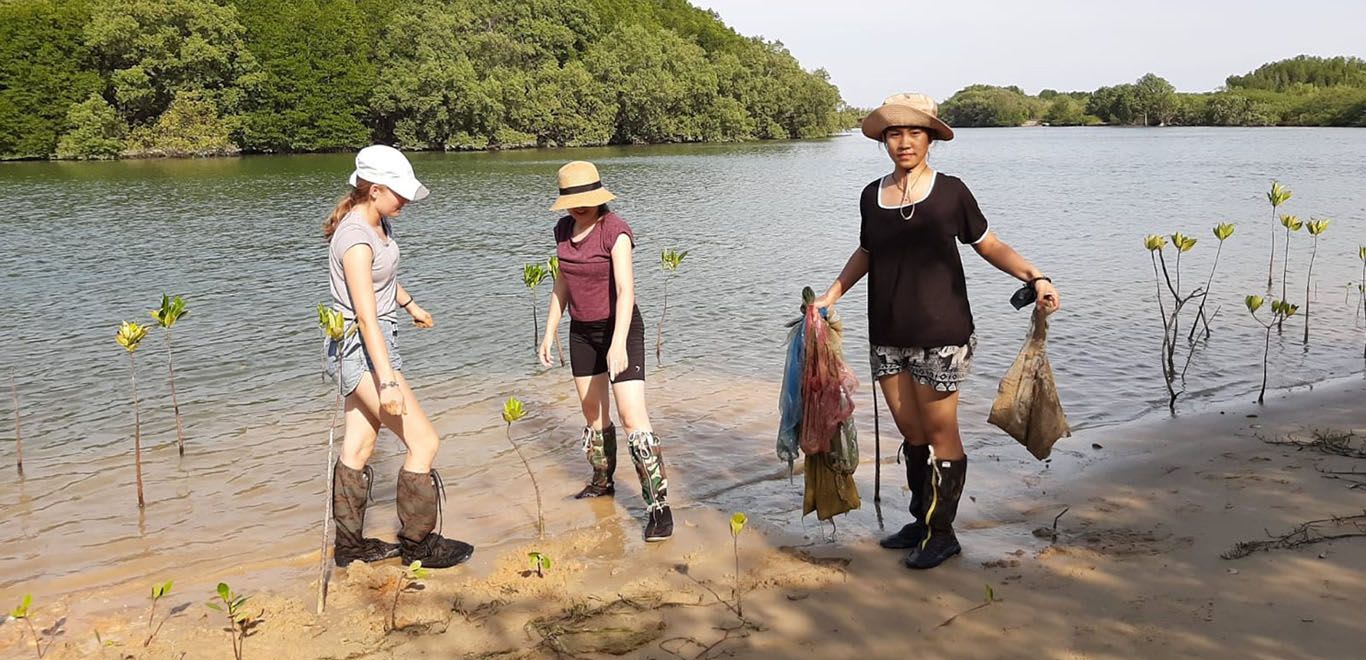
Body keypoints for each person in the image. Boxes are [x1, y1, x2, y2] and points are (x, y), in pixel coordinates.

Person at [812, 94, 1061, 569]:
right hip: (886, 331)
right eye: (894, 133)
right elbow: (867, 251)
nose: (903, 142)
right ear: (884, 140)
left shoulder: (951, 192)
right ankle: (922, 519)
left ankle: (943, 533)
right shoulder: (871, 194)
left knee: (940, 428)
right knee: (911, 430)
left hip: (942, 330)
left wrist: (1035, 275)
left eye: (914, 133)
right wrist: (831, 294)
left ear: (930, 139)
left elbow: (988, 244)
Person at [324, 145, 474, 569]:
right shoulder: (354, 239)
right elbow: (366, 315)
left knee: (359, 445)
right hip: (362, 348)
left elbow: (383, 279)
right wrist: (387, 380)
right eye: (398, 192)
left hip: (375, 342)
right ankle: (418, 545)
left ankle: (351, 549)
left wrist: (410, 305)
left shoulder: (378, 223)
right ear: (373, 189)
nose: (406, 199)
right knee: (425, 441)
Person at [538, 161, 673, 542]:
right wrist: (550, 333)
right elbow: (562, 282)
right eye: (572, 200)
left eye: (586, 199)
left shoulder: (615, 231)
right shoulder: (563, 230)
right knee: (593, 415)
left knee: (633, 418)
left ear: (599, 197)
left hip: (622, 329)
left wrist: (617, 343)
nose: (579, 207)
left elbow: (626, 290)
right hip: (582, 331)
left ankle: (658, 508)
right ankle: (602, 482)